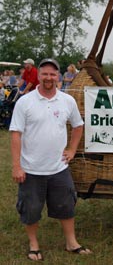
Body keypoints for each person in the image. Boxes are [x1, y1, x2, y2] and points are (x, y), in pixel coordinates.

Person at [10, 58, 92, 261]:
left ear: (59, 77)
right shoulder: (25, 102)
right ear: (38, 75)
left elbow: (78, 125)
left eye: (53, 74)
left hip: (59, 168)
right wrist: (17, 166)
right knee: (31, 209)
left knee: (66, 206)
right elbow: (15, 134)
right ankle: (33, 244)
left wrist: (72, 149)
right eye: (45, 74)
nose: (49, 78)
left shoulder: (67, 100)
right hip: (31, 169)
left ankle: (71, 243)